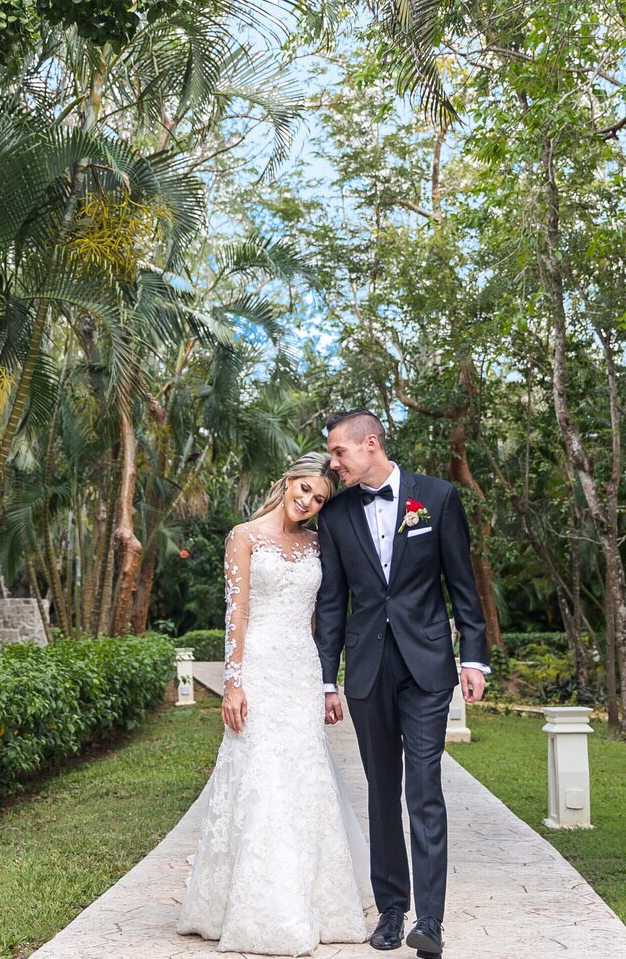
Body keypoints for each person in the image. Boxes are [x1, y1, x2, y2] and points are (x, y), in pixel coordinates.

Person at [176, 451, 371, 955]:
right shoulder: (244, 536)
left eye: (319, 498)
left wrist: (328, 682)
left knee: (304, 777)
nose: (308, 501)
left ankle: (315, 901)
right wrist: (234, 682)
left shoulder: (317, 544)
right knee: (258, 773)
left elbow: (320, 619)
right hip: (259, 668)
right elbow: (235, 614)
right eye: (304, 489)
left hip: (301, 670)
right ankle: (254, 906)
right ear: (287, 481)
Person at [315, 410, 490, 959]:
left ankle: (430, 921)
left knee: (424, 787)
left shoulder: (435, 499)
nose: (334, 464)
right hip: (366, 669)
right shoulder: (338, 514)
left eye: (339, 453)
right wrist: (326, 678)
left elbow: (462, 582)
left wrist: (474, 659)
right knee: (382, 790)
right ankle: (392, 911)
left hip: (428, 668)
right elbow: (331, 603)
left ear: (370, 444)